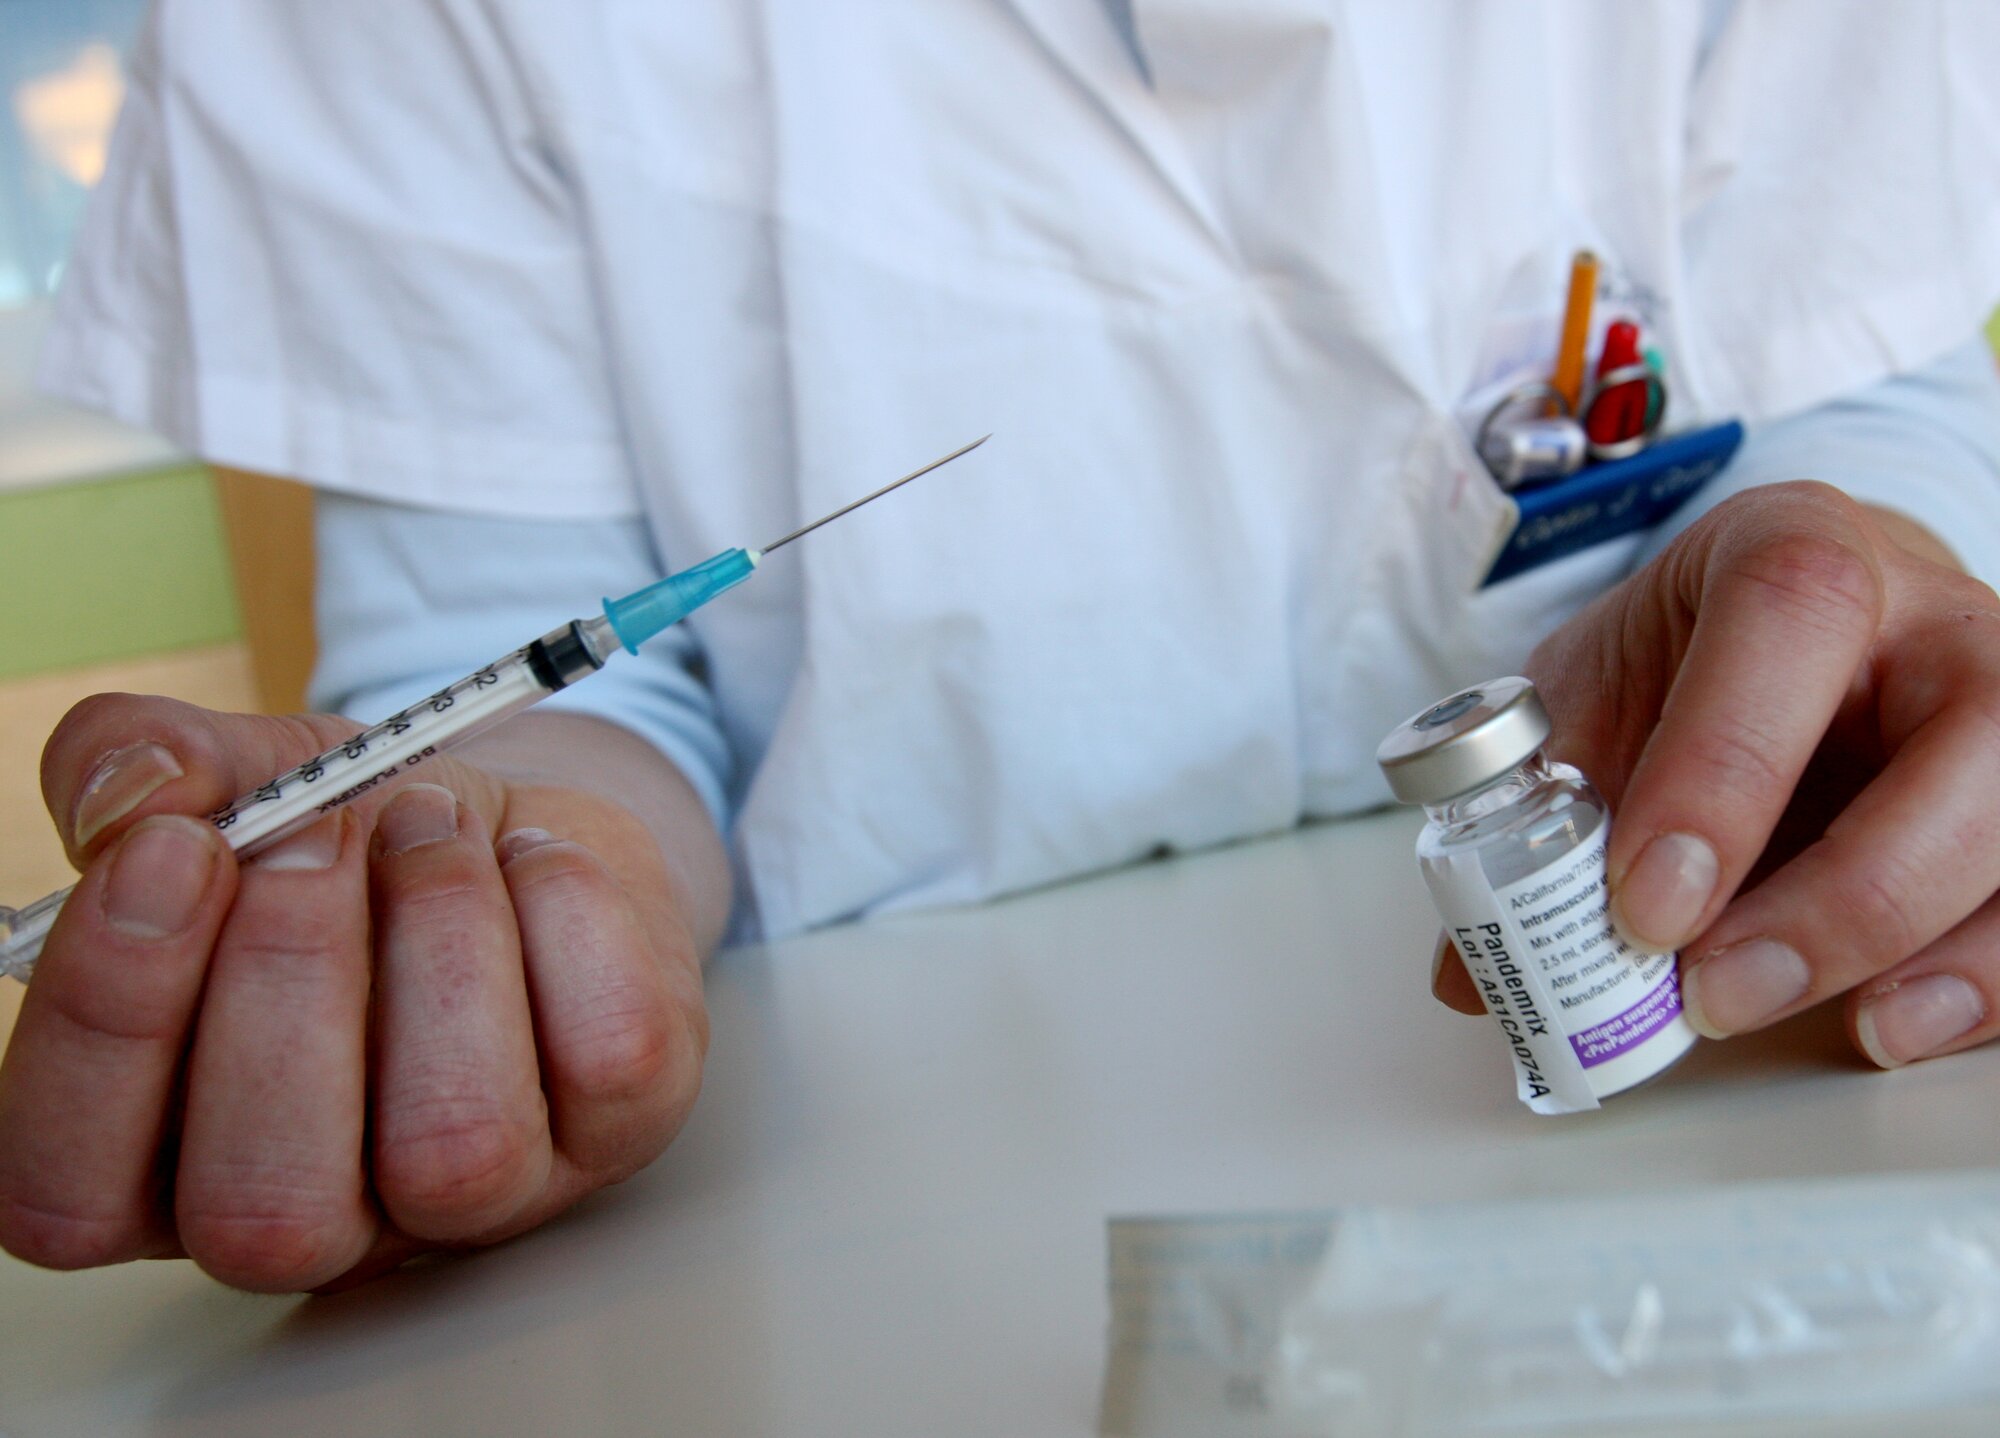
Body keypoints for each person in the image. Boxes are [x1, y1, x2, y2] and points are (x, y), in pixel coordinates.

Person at [3, 0, 1999, 1293]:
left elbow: (1856, 356)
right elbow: (536, 678)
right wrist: (499, 904)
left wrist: (1871, 575)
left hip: (1684, 1148)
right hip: (869, 1231)